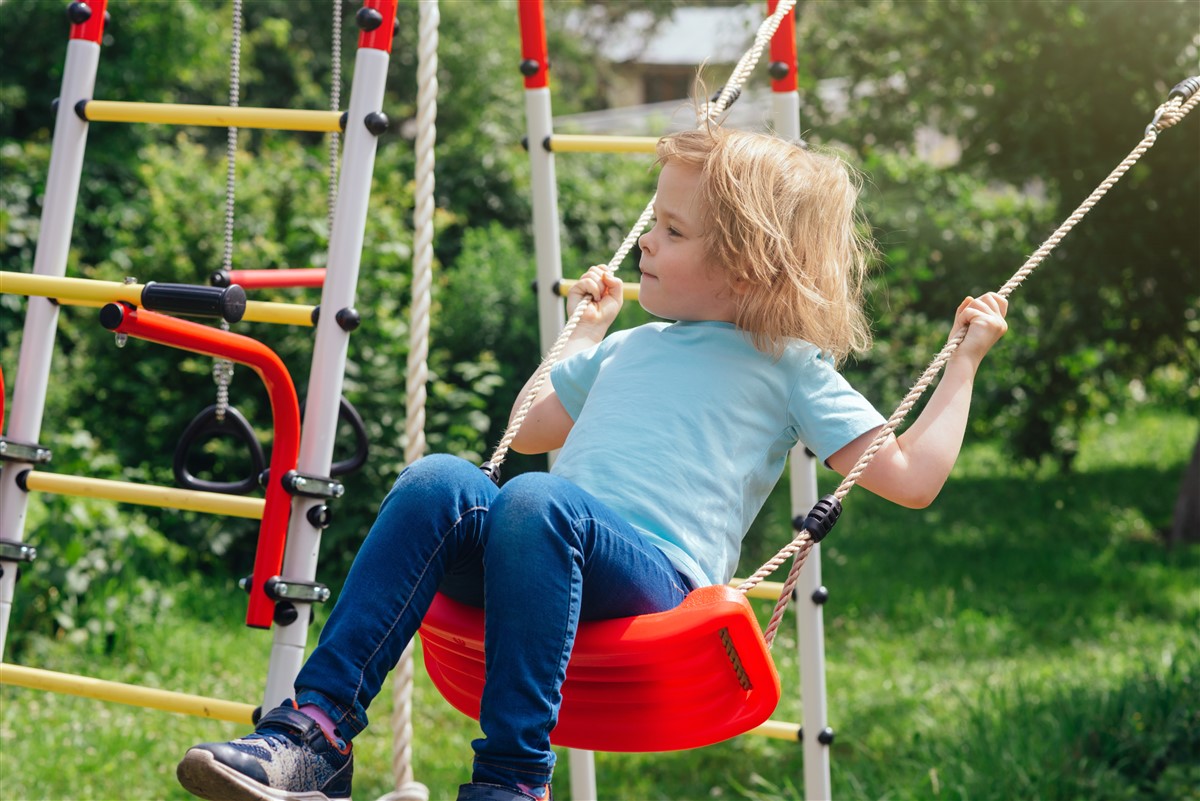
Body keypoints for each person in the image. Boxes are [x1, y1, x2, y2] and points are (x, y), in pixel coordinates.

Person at [176, 126, 1009, 801]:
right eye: (656, 220)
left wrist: (961, 364)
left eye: (674, 231)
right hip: (539, 545)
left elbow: (910, 477)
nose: (648, 238)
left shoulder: (784, 362)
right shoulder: (632, 346)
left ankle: (509, 783)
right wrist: (585, 331)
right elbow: (533, 425)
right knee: (440, 479)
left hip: (656, 580)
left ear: (748, 264)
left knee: (538, 501)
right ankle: (313, 735)